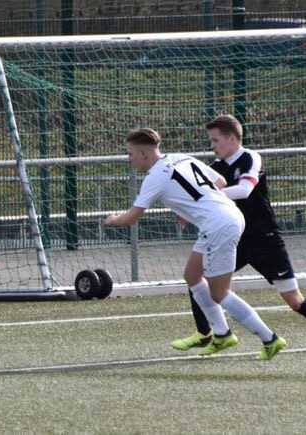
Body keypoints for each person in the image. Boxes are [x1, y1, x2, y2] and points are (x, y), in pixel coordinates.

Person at [103, 128, 286, 360]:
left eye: (130, 154)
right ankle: (222, 334)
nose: (129, 159)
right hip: (225, 216)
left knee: (219, 293)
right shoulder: (181, 157)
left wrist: (112, 220)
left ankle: (270, 339)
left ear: (143, 153)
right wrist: (196, 203)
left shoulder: (155, 177)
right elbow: (220, 181)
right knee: (192, 274)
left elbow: (131, 218)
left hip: (219, 224)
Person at [171, 114, 306, 352]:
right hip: (234, 239)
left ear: (231, 139)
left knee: (293, 298)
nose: (212, 145)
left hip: (264, 240)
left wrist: (206, 196)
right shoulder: (215, 169)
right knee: (198, 278)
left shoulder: (250, 158)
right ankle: (207, 333)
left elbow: (244, 190)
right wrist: (187, 210)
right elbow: (202, 196)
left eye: (215, 140)